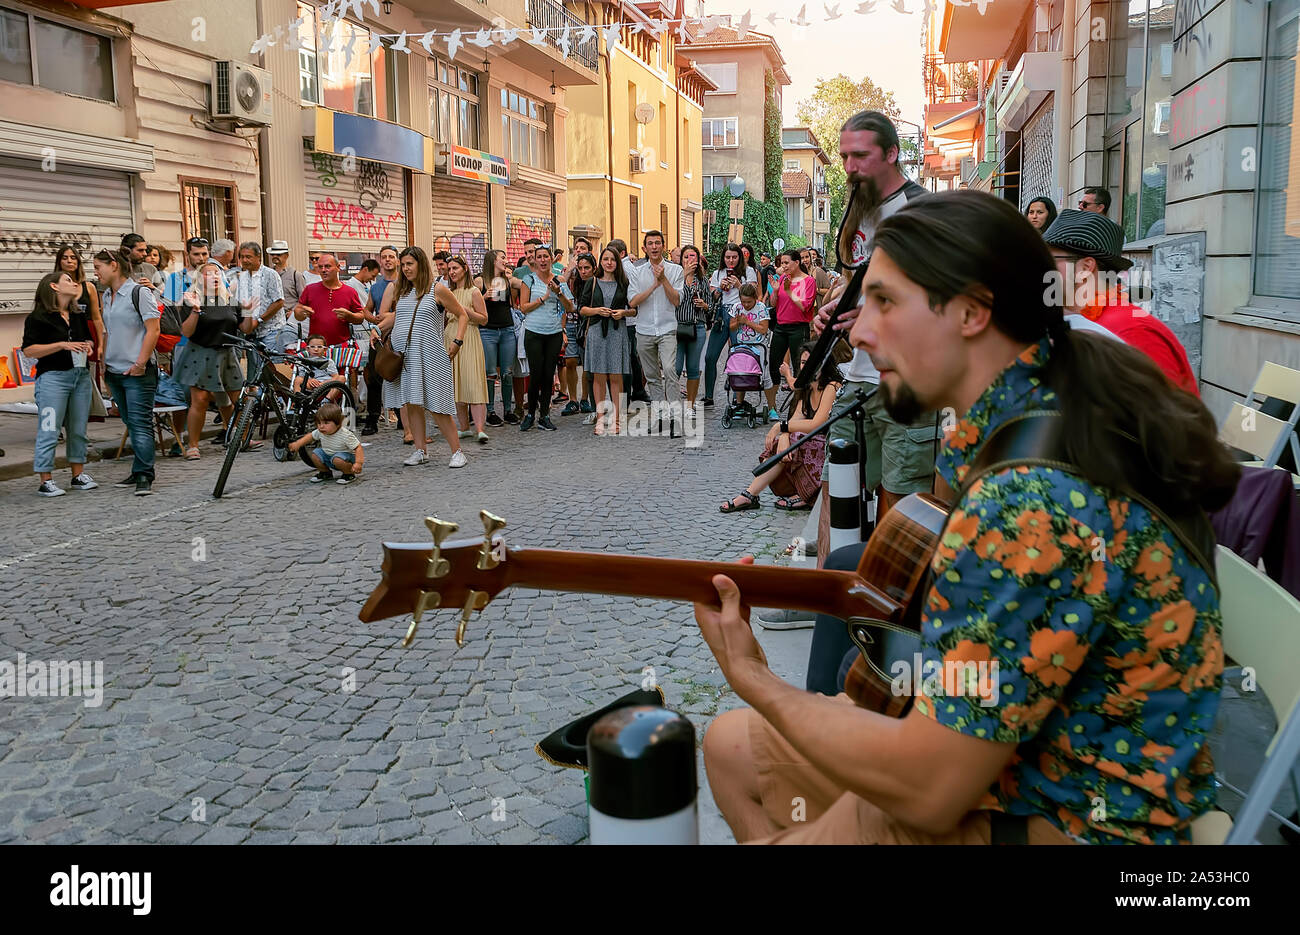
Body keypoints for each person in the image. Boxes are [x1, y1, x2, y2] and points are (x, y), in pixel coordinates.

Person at [697, 189, 1240, 845]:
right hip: (1007, 758)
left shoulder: (1027, 501)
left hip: (1064, 817)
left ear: (974, 312)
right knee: (731, 745)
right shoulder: (1041, 396)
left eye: (887, 302)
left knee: (802, 778)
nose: (861, 332)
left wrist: (756, 678)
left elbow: (929, 791)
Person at [802, 109, 937, 626]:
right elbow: (852, 283)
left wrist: (885, 313)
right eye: (844, 156)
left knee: (902, 502)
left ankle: (894, 615)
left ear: (891, 154)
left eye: (860, 155)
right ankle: (832, 604)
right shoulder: (855, 212)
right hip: (855, 378)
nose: (849, 166)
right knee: (842, 494)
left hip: (903, 382)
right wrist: (831, 309)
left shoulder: (922, 210)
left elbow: (939, 299)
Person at [1043, 209, 1198, 395]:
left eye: (1048, 260)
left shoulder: (1131, 329)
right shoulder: (1075, 320)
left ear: (1085, 268)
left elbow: (1166, 415)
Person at [719, 342, 842, 513]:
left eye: (812, 362)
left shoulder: (832, 386)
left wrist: (781, 427)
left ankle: (804, 495)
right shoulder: (808, 386)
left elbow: (816, 424)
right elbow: (797, 419)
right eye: (804, 363)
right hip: (813, 445)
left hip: (833, 448)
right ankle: (750, 494)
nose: (807, 366)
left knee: (795, 439)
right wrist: (784, 434)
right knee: (783, 443)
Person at [377, 246, 466, 468]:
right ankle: (420, 450)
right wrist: (377, 329)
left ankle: (457, 452)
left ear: (421, 264)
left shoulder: (438, 290)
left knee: (438, 405)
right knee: (412, 404)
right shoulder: (402, 291)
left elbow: (462, 314)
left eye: (410, 264)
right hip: (406, 356)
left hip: (431, 355)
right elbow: (397, 317)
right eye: (403, 264)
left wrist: (457, 341)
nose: (405, 269)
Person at [23, 272, 98, 497]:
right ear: (54, 287)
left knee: (78, 429)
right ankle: (46, 479)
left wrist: (89, 346)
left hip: (80, 376)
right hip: (53, 378)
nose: (75, 283)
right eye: (68, 280)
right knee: (49, 428)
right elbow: (29, 350)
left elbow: (87, 339)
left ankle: (78, 475)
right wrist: (61, 345)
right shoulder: (38, 317)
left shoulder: (76, 314)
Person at [93, 247, 160, 496]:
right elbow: (107, 331)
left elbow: (153, 330)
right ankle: (139, 468)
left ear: (114, 265)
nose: (95, 272)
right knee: (130, 422)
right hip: (115, 370)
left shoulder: (139, 292)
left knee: (141, 423)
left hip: (138, 371)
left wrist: (140, 364)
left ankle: (145, 475)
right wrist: (104, 366)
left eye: (98, 267)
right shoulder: (106, 295)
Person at [174, 260, 250, 461]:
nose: (214, 276)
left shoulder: (231, 301)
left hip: (227, 354)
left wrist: (250, 311)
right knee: (200, 400)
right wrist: (196, 310)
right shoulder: (191, 299)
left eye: (217, 273)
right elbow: (187, 332)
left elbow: (246, 329)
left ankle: (241, 438)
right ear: (200, 279)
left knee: (233, 400)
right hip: (200, 353)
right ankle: (193, 445)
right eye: (208, 273)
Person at [515, 244, 574, 432]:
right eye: (538, 256)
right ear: (534, 259)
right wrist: (544, 297)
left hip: (554, 333)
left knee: (548, 375)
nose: (542, 260)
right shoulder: (528, 279)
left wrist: (558, 293)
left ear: (551, 259)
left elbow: (570, 307)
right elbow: (523, 307)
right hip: (533, 332)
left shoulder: (560, 280)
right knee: (536, 375)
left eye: (545, 257)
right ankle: (530, 413)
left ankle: (545, 416)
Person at [625, 230, 684, 417]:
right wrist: (653, 286)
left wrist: (663, 279)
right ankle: (660, 414)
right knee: (652, 376)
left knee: (669, 369)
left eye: (657, 243)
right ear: (645, 248)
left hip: (667, 328)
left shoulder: (676, 270)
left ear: (663, 246)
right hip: (644, 329)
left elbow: (676, 300)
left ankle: (674, 414)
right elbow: (633, 301)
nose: (654, 247)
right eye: (650, 243)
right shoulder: (637, 272)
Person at [578, 246, 634, 436]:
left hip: (617, 332)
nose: (609, 262)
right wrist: (597, 311)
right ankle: (600, 419)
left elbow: (634, 309)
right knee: (599, 376)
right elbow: (581, 309)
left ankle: (617, 420)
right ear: (600, 262)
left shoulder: (623, 282)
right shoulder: (592, 282)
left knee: (617, 376)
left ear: (617, 263)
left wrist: (623, 313)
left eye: (613, 259)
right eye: (605, 259)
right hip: (596, 332)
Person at [705, 244, 758, 408]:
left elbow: (753, 295)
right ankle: (708, 396)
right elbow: (712, 296)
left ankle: (737, 397)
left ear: (740, 257)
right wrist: (720, 289)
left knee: (739, 355)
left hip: (740, 315)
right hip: (721, 315)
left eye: (734, 257)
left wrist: (738, 285)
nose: (731, 260)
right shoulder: (717, 273)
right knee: (710, 357)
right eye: (728, 257)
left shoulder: (748, 271)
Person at [445, 254, 490, 444]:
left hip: (470, 336)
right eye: (449, 269)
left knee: (473, 381)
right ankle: (463, 428)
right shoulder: (447, 293)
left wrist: (464, 310)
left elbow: (484, 318)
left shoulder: (474, 291)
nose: (451, 272)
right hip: (450, 335)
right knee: (456, 382)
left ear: (464, 269)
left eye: (455, 268)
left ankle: (479, 428)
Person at [764, 249, 817, 412]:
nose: (783, 266)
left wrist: (788, 291)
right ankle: (771, 406)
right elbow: (773, 304)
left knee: (799, 366)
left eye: (787, 263)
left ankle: (800, 406)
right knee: (773, 365)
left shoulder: (808, 281)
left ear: (797, 262)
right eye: (781, 263)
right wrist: (775, 290)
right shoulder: (782, 278)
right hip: (780, 327)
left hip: (798, 328)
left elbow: (805, 307)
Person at [53, 245, 106, 389]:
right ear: (59, 262)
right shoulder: (53, 286)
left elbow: (97, 318)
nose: (69, 261)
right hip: (64, 334)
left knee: (90, 376)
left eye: (73, 257)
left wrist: (101, 344)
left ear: (78, 262)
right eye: (65, 258)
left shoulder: (89, 286)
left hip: (88, 333)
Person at [362, 246, 401, 436]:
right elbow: (367, 309)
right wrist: (373, 319)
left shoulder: (404, 283)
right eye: (384, 257)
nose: (387, 260)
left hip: (399, 335)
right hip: (378, 337)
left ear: (397, 261)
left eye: (391, 257)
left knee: (400, 377)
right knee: (374, 378)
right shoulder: (376, 286)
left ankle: (403, 419)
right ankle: (372, 418)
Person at [478, 249, 519, 426]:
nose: (505, 260)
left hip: (507, 329)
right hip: (487, 330)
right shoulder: (480, 280)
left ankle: (508, 410)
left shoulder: (506, 280)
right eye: (502, 258)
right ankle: (490, 411)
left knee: (507, 372)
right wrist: (483, 296)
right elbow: (469, 302)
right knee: (490, 373)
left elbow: (527, 282)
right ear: (492, 260)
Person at [293, 253, 365, 350]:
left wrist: (349, 316)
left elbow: (361, 317)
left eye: (327, 266)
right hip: (316, 350)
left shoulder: (350, 292)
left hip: (341, 348)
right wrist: (300, 313)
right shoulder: (310, 289)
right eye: (320, 267)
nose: (323, 270)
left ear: (338, 267)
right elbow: (298, 313)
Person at [289, 402, 364, 485]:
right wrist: (298, 444)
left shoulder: (345, 434)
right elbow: (310, 436)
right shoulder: (321, 432)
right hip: (329, 456)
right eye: (319, 423)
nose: (321, 426)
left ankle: (349, 474)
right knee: (315, 454)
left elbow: (358, 447)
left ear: (338, 423)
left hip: (345, 458)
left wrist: (358, 463)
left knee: (337, 460)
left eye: (326, 423)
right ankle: (325, 472)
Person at [675, 245, 712, 410]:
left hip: (697, 327)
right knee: (674, 368)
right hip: (676, 327)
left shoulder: (703, 279)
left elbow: (710, 306)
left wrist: (704, 305)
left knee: (693, 368)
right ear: (681, 259)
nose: (690, 260)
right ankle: (672, 403)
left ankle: (689, 406)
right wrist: (684, 275)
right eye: (686, 257)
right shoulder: (674, 277)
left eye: (693, 257)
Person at [560, 252, 596, 416]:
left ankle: (584, 398)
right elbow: (558, 285)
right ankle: (572, 399)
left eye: (586, 268)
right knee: (571, 361)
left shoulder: (596, 282)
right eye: (580, 268)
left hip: (587, 325)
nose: (583, 271)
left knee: (588, 364)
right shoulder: (570, 278)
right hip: (571, 323)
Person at [728, 283, 773, 411]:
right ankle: (739, 404)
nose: (746, 305)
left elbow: (764, 329)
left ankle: (771, 408)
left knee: (764, 376)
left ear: (754, 298)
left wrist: (747, 322)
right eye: (743, 302)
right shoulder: (737, 307)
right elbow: (731, 327)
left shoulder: (761, 308)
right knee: (741, 373)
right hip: (742, 345)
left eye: (749, 302)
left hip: (758, 346)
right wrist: (737, 321)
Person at [293, 333, 345, 402]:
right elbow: (301, 377)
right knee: (297, 379)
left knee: (342, 378)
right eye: (312, 347)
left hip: (326, 384)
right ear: (307, 349)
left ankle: (326, 400)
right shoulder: (304, 361)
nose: (316, 349)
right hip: (310, 384)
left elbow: (335, 376)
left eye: (319, 347)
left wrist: (323, 383)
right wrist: (309, 380)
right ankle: (296, 400)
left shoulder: (328, 361)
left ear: (325, 350)